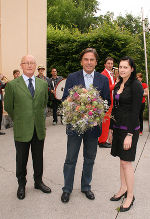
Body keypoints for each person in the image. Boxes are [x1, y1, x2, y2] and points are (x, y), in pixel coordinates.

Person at [61, 48, 111, 203]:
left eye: (92, 60)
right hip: (75, 125)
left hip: (93, 126)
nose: (89, 62)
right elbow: (65, 99)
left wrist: (95, 108)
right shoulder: (72, 77)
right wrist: (76, 102)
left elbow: (107, 101)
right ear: (81, 61)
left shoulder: (102, 79)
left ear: (96, 62)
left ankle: (86, 187)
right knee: (71, 158)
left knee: (89, 158)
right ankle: (67, 189)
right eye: (86, 59)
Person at [4, 55, 51, 200]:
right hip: (22, 128)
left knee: (38, 158)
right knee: (21, 159)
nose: (30, 65)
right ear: (21, 65)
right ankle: (21, 184)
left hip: (38, 128)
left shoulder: (43, 84)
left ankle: (38, 182)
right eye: (26, 63)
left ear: (36, 65)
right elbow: (8, 107)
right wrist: (20, 119)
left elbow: (44, 103)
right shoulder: (12, 85)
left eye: (32, 63)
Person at [108, 56, 143, 212]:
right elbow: (114, 108)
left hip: (129, 130)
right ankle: (122, 188)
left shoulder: (136, 85)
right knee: (121, 161)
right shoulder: (117, 85)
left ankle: (130, 196)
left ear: (132, 69)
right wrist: (110, 129)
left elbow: (136, 111)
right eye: (120, 67)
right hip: (117, 128)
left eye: (125, 67)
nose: (122, 70)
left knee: (126, 163)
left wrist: (129, 134)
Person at [98, 57, 115, 148]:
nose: (110, 65)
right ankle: (102, 141)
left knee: (107, 122)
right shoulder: (103, 74)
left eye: (111, 63)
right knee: (105, 122)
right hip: (106, 101)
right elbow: (105, 89)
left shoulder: (111, 74)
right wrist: (115, 85)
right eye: (108, 63)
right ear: (105, 64)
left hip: (110, 100)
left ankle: (102, 139)